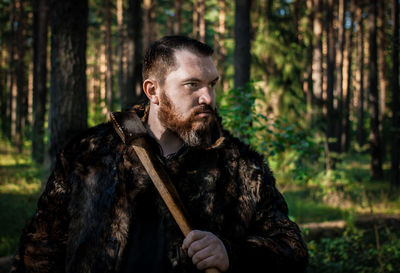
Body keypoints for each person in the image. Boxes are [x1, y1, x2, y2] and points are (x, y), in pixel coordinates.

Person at [11, 36, 308, 273]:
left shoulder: (242, 168)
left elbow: (291, 248)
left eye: (212, 85)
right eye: (192, 85)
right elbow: (40, 251)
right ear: (153, 91)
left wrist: (232, 252)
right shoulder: (88, 153)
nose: (208, 97)